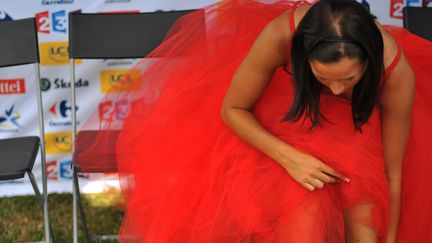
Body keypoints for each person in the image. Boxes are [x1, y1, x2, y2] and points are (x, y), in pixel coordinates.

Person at [77, 0, 432, 242]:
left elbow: (392, 171)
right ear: (301, 55)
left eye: (349, 79)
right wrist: (291, 158)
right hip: (285, 118)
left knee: (365, 205)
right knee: (302, 210)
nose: (337, 89)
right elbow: (233, 109)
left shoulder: (394, 71)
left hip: (357, 129)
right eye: (325, 78)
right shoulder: (281, 35)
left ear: (368, 61)